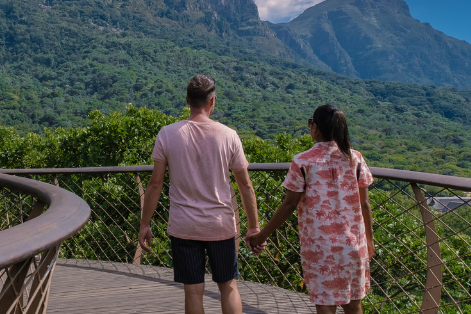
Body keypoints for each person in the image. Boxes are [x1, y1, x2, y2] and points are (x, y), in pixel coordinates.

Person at [137, 75, 261, 314]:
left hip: (184, 225)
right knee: (228, 285)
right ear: (212, 101)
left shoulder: (167, 134)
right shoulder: (228, 135)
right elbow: (245, 185)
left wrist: (144, 223)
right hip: (220, 225)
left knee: (193, 290)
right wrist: (254, 226)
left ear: (187, 100)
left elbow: (155, 183)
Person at [246, 104, 375, 314]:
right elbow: (364, 204)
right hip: (354, 244)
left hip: (320, 247)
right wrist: (369, 240)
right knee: (354, 304)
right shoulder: (356, 159)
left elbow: (289, 204)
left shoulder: (303, 161)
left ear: (315, 128)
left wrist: (261, 236)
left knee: (325, 303)